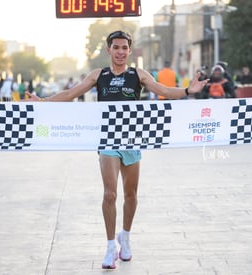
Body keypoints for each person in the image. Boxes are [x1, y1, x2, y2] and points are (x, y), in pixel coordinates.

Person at [24, 30, 208, 270]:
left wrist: (187, 91)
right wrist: (44, 103)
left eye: (124, 48)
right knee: (109, 195)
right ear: (109, 50)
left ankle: (126, 237)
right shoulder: (98, 75)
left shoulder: (138, 75)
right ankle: (111, 246)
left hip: (132, 140)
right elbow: (70, 94)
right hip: (108, 141)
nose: (120, 52)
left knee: (131, 196)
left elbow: (163, 91)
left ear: (129, 51)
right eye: (116, 47)